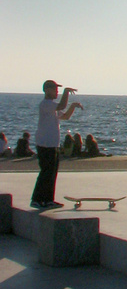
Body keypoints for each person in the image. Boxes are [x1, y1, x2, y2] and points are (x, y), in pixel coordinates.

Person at [30, 80, 83, 210]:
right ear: (47, 90)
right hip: (45, 144)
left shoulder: (52, 106)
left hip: (53, 144)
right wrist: (66, 93)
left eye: (58, 90)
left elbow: (65, 116)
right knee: (46, 172)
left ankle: (48, 200)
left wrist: (73, 106)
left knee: (52, 173)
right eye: (55, 89)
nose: (57, 92)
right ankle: (37, 199)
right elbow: (61, 106)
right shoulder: (45, 104)